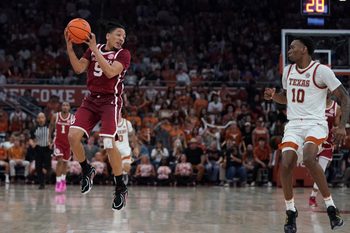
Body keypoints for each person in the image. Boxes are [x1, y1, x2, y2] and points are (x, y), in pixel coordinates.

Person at [264, 37, 349, 232]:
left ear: (304, 49)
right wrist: (273, 97)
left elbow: (345, 97)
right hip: (293, 125)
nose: (289, 50)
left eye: (293, 47)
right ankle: (291, 212)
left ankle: (330, 207)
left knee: (310, 158)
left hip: (315, 124)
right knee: (285, 164)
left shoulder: (322, 71)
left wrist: (342, 126)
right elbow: (287, 99)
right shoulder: (288, 71)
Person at [64, 22, 131, 210]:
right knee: (72, 136)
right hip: (91, 100)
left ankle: (120, 187)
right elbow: (78, 68)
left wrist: (94, 49)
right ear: (108, 36)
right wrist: (70, 48)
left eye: (124, 37)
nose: (121, 39)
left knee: (109, 143)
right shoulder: (94, 50)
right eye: (118, 35)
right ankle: (87, 169)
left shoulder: (123, 54)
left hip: (111, 101)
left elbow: (110, 73)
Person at [309, 93, 341, 207]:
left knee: (320, 171)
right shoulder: (316, 104)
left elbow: (337, 125)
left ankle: (312, 196)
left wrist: (337, 132)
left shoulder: (337, 108)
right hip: (315, 139)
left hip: (327, 142)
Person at [49, 102, 74, 193]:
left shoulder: (72, 118)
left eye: (67, 105)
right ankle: (58, 182)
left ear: (69, 108)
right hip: (58, 142)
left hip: (68, 143)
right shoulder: (55, 116)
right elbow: (51, 127)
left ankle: (63, 180)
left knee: (65, 163)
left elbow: (75, 131)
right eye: (63, 105)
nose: (65, 107)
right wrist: (49, 139)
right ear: (61, 107)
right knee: (59, 161)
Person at [115, 117, 139, 185]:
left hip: (125, 148)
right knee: (117, 167)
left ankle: (125, 175)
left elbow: (133, 136)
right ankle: (120, 177)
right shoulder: (111, 122)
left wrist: (136, 147)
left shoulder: (127, 123)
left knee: (126, 166)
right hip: (115, 148)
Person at [31, 112, 52, 189]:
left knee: (48, 167)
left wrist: (51, 143)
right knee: (38, 167)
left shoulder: (49, 127)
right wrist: (32, 143)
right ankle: (41, 183)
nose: (40, 119)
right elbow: (31, 138)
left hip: (47, 149)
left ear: (45, 119)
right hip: (38, 149)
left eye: (42, 117)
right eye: (39, 118)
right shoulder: (34, 128)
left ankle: (46, 178)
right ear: (37, 119)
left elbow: (53, 137)